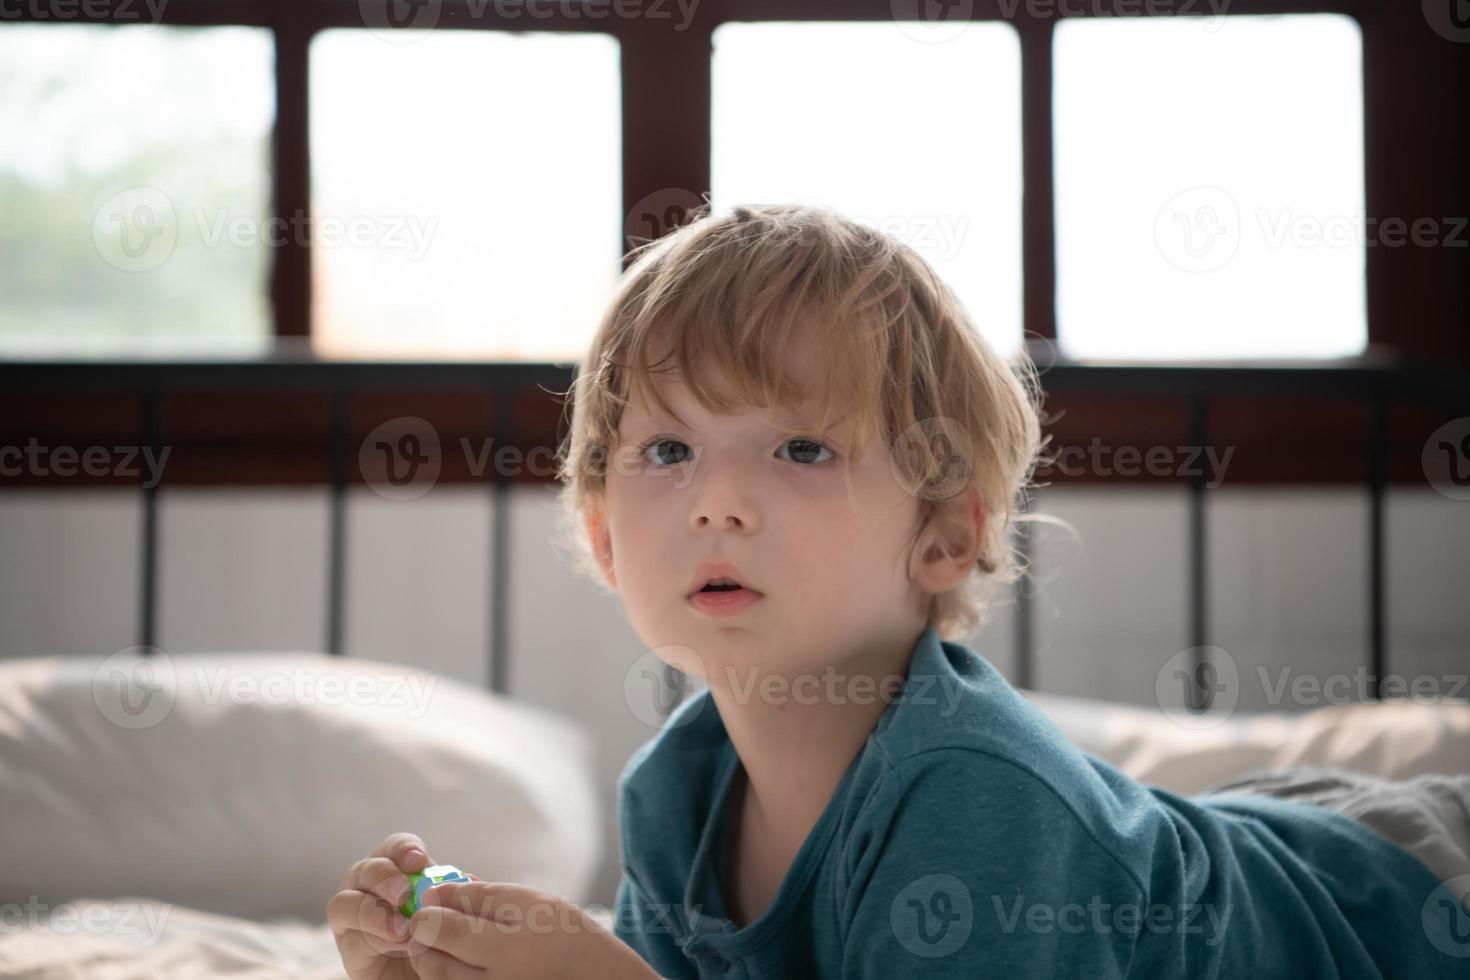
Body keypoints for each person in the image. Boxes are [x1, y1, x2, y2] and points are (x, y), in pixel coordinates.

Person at [326, 203, 1470, 979]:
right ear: (603, 535)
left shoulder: (969, 793)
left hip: (1405, 893)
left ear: (945, 533)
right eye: (667, 453)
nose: (717, 501)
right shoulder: (673, 793)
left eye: (802, 450)